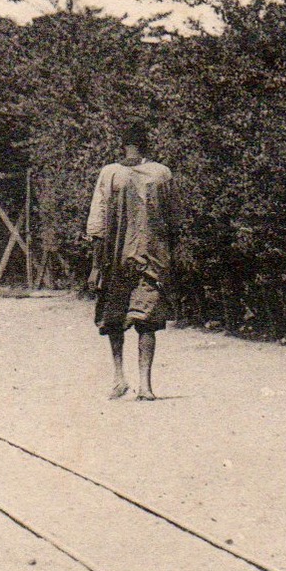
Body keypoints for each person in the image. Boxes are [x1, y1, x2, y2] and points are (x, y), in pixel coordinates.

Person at [86, 121, 178, 402]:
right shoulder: (160, 173)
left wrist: (95, 267)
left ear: (122, 144)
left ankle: (121, 378)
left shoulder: (114, 173)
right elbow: (175, 221)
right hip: (149, 259)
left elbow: (97, 223)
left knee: (120, 319)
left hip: (117, 260)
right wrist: (171, 258)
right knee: (144, 321)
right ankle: (141, 384)